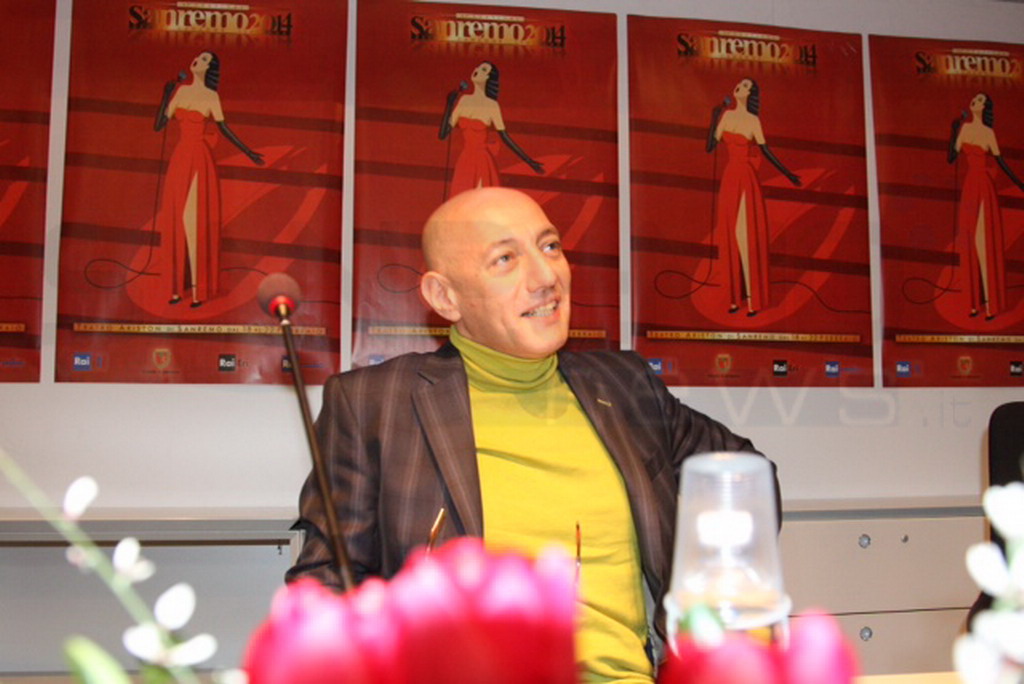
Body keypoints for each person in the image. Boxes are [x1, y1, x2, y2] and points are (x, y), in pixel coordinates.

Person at [288, 188, 777, 682]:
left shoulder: (625, 388)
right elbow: (327, 584)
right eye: (505, 259)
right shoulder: (376, 403)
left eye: (550, 247)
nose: (546, 277)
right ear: (444, 297)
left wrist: (710, 618)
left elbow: (749, 480)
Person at [154, 51, 263, 308]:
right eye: (198, 57)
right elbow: (159, 126)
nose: (197, 60)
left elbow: (224, 129)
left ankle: (197, 291)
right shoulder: (181, 91)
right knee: (175, 221)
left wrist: (248, 152)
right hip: (180, 159)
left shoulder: (212, 97)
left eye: (204, 59)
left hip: (199, 160)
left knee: (192, 222)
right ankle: (175, 289)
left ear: (210, 68)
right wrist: (166, 95)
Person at [706, 78, 800, 317]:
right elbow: (710, 147)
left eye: (747, 85)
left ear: (751, 94)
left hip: (746, 179)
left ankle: (751, 300)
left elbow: (766, 151)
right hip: (730, 178)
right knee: (729, 237)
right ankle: (733, 298)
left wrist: (789, 174)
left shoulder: (753, 121)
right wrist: (714, 118)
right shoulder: (726, 115)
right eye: (740, 83)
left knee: (744, 237)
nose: (740, 86)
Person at [947, 92, 1024, 320]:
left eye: (980, 100)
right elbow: (951, 158)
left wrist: (1021, 185)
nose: (975, 100)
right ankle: (973, 303)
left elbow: (1001, 162)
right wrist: (953, 130)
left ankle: (990, 304)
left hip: (984, 188)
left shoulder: (989, 133)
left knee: (982, 243)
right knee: (969, 242)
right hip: (970, 187)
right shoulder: (964, 128)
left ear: (985, 107)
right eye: (975, 98)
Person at [438, 61, 544, 199]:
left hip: (483, 162)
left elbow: (505, 138)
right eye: (477, 66)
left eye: (483, 69)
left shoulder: (492, 105)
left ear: (488, 78)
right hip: (465, 162)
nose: (476, 69)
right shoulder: (463, 100)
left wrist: (529, 161)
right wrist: (449, 105)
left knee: (480, 202)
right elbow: (443, 134)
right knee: (462, 202)